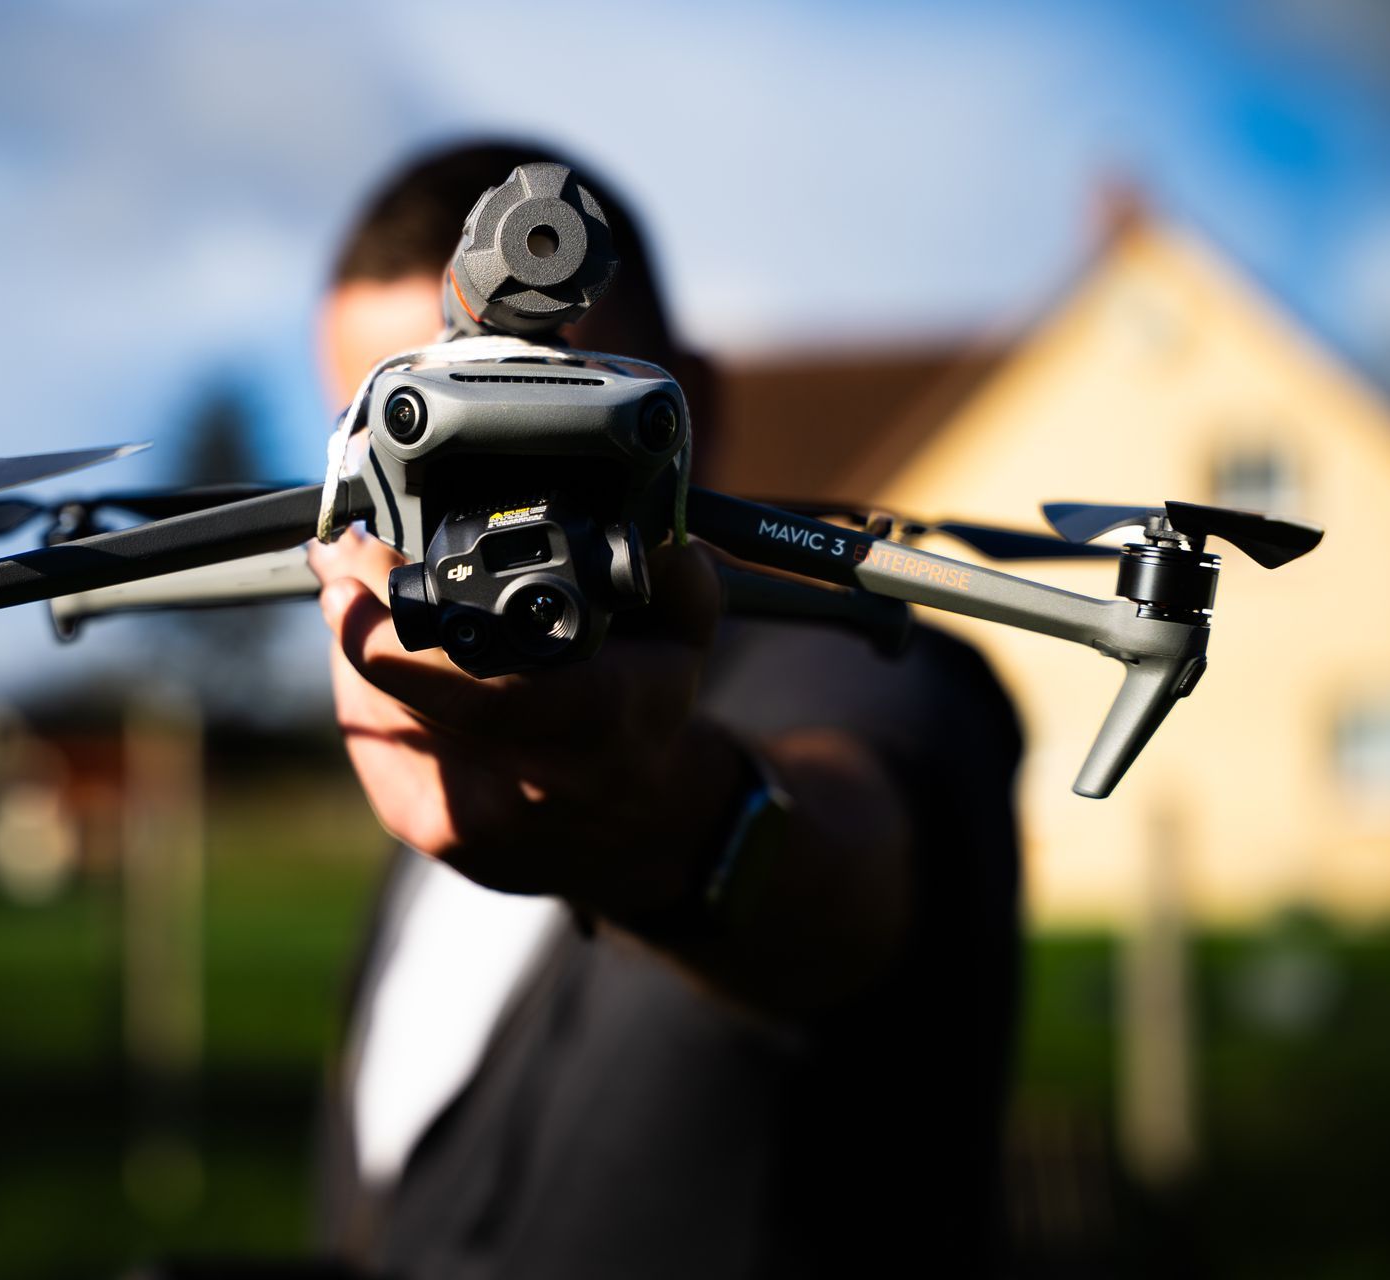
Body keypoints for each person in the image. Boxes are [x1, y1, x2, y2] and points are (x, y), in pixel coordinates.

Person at [303, 142, 1023, 1277]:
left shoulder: (866, 663)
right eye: (409, 436)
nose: (472, 512)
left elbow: (849, 869)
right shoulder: (433, 710)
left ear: (688, 405)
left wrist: (659, 819)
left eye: (530, 424)